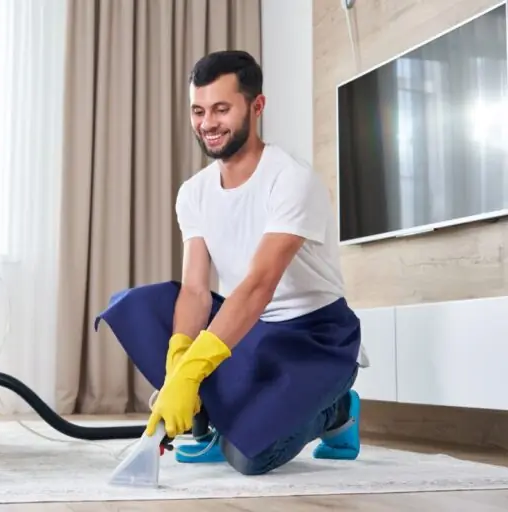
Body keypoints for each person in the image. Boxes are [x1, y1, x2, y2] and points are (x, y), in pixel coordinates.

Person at [94, 50, 366, 475]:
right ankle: (213, 418)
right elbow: (196, 290)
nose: (207, 123)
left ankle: (337, 409)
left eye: (221, 109)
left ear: (256, 106)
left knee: (251, 457)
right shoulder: (194, 192)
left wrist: (194, 371)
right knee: (138, 307)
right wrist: (178, 360)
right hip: (250, 326)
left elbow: (260, 284)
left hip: (313, 335)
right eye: (198, 111)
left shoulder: (291, 180)